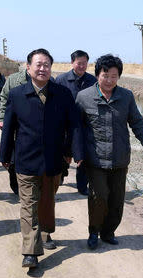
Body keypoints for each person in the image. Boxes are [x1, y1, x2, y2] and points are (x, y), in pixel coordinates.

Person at [0, 48, 83, 268]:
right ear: (28, 68)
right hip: (25, 159)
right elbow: (8, 129)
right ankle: (30, 252)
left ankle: (45, 233)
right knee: (28, 204)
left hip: (54, 160)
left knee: (47, 202)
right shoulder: (17, 95)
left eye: (46, 64)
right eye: (38, 64)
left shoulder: (62, 94)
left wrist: (74, 153)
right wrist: (5, 155)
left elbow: (73, 126)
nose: (42, 68)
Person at [75, 54, 143, 250]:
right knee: (99, 196)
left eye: (114, 76)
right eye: (105, 76)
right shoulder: (84, 97)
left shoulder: (126, 97)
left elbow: (137, 123)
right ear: (97, 75)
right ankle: (94, 231)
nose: (109, 80)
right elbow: (75, 128)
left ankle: (108, 231)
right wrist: (76, 154)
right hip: (95, 159)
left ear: (118, 76)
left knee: (117, 199)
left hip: (120, 159)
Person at [55, 50, 96, 195]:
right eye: (79, 63)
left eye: (84, 63)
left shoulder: (93, 81)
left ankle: (82, 186)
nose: (82, 66)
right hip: (65, 125)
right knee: (63, 153)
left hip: (84, 124)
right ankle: (60, 174)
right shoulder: (61, 80)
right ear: (72, 63)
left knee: (83, 155)